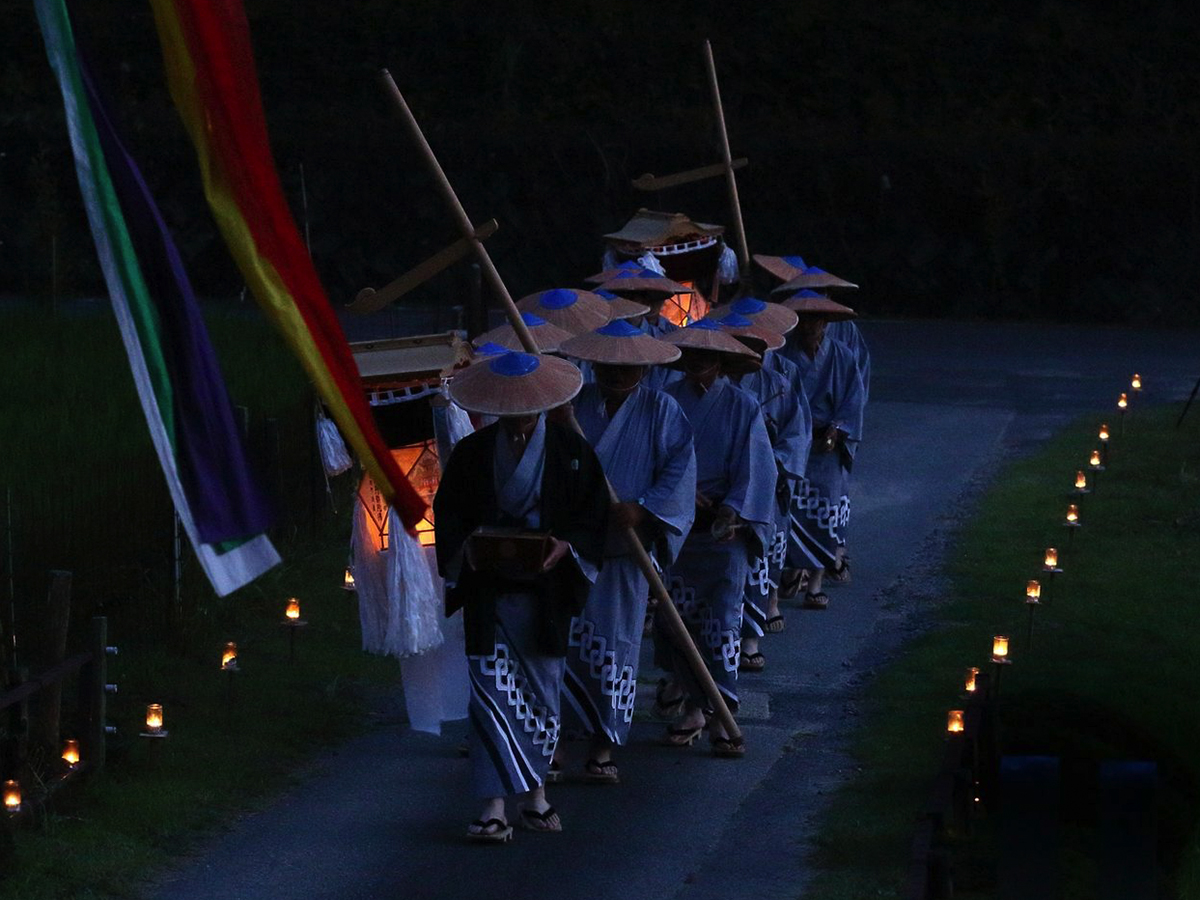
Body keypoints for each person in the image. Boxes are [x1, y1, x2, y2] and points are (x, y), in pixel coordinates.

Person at [435, 351, 610, 842]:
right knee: (489, 696)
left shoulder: (571, 452)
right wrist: (466, 546)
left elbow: (593, 516)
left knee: (541, 695)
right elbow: (450, 514)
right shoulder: (473, 454)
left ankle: (534, 795)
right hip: (489, 592)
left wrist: (566, 545)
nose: (518, 420)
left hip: (545, 593)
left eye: (527, 411)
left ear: (542, 406)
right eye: (508, 412)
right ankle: (491, 805)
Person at [555, 321, 696, 782]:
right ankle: (552, 740)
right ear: (594, 363)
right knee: (558, 646)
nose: (616, 373)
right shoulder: (572, 407)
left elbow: (679, 470)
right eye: (608, 365)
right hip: (572, 547)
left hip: (623, 550)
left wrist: (645, 508)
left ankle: (603, 746)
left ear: (643, 366)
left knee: (616, 646)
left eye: (626, 366)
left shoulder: (663, 409)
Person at [654, 321, 776, 756]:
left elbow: (758, 467)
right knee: (676, 622)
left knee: (721, 622)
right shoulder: (666, 400)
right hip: (678, 528)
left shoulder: (743, 406)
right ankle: (692, 703)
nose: (698, 362)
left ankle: (721, 712)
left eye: (707, 356)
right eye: (691, 354)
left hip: (724, 531)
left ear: (722, 361)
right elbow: (658, 458)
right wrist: (681, 489)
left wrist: (732, 510)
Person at [713, 315, 809, 671]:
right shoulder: (709, 388)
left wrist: (774, 464)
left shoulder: (779, 385)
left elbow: (796, 434)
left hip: (762, 488)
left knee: (756, 561)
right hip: (716, 491)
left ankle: (750, 638)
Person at [777, 295, 865, 610]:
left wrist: (838, 429)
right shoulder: (783, 356)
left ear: (826, 323)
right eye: (804, 319)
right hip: (795, 444)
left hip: (828, 446)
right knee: (788, 515)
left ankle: (814, 583)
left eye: (816, 320)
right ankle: (786, 575)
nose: (810, 326)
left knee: (825, 516)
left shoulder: (842, 356)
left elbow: (854, 399)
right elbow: (780, 401)